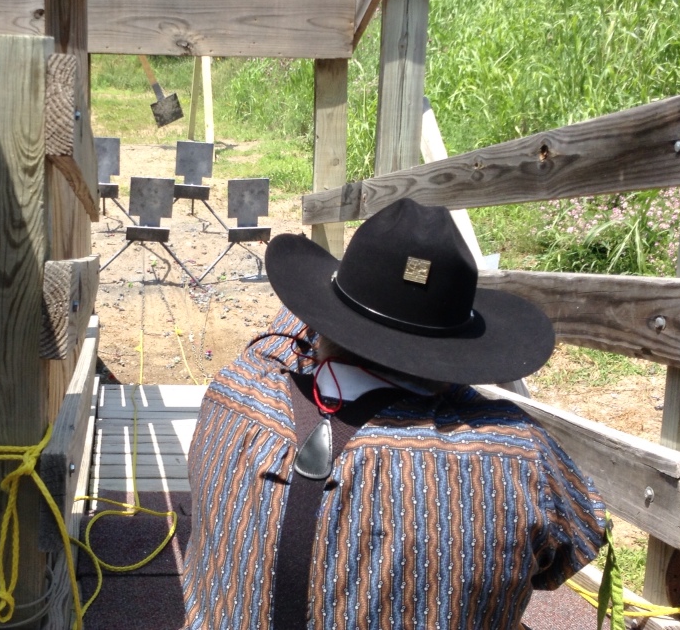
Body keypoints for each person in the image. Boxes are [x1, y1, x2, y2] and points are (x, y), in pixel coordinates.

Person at [181, 197, 605, 630]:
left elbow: (276, 342)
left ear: (321, 318)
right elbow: (571, 549)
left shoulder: (235, 391)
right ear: (459, 352)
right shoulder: (519, 456)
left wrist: (322, 308)